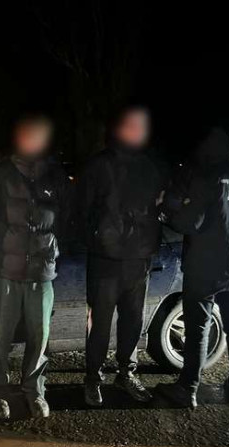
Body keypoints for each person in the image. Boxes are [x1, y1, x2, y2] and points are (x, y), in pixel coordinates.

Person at [157, 128, 229, 408]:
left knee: (198, 328)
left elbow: (190, 222)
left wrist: (166, 212)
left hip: (204, 269)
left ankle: (188, 389)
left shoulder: (209, 178)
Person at [0, 114, 70, 419]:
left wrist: (53, 248)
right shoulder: (0, 174)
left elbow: (67, 218)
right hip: (5, 272)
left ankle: (34, 390)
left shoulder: (56, 176)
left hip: (42, 272)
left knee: (40, 335)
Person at [78, 105, 166, 407]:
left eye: (141, 125)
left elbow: (158, 206)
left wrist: (151, 238)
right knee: (99, 325)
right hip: (104, 261)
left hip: (139, 261)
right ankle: (93, 377)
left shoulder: (150, 167)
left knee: (132, 322)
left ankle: (127, 373)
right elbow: (81, 210)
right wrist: (97, 239)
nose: (136, 130)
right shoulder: (99, 165)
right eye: (130, 125)